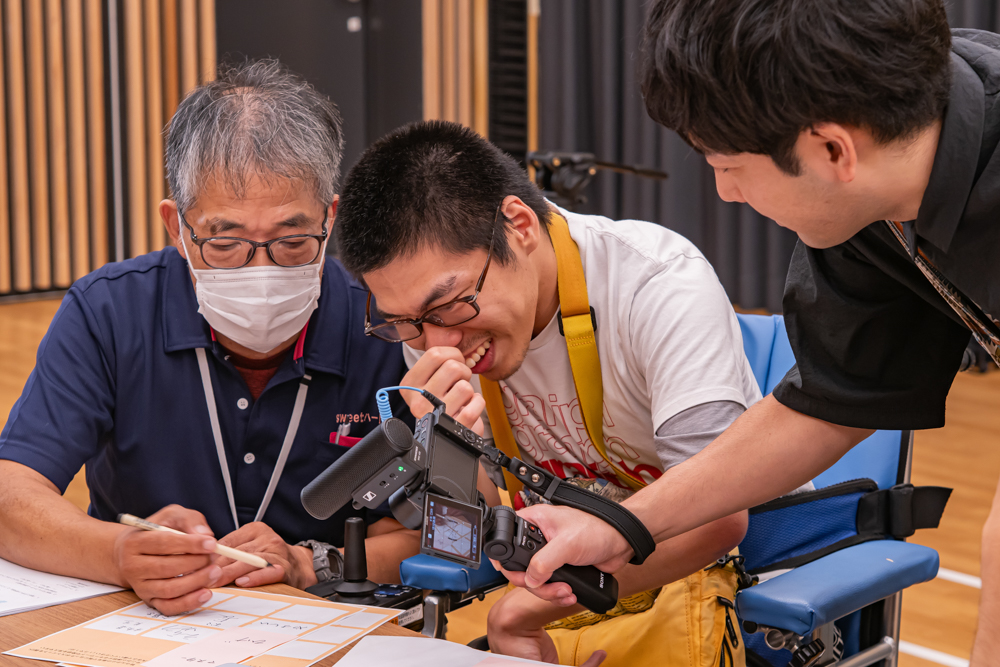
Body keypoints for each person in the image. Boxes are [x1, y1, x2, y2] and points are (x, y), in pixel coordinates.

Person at [498, 0, 1000, 663]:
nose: (726, 194)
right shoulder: (873, 192)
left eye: (727, 166)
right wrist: (626, 523)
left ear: (829, 148)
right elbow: (827, 405)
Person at [335, 120, 767, 667]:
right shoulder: (433, 335)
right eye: (408, 323)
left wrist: (530, 610)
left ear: (519, 226)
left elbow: (717, 517)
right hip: (561, 581)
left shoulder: (658, 284)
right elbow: (474, 528)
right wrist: (446, 453)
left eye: (451, 305)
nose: (439, 341)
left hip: (722, 574)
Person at [0, 60, 421, 616]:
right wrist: (121, 552)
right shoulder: (109, 311)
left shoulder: (385, 324)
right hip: (139, 622)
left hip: (328, 620)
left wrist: (305, 563)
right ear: (177, 227)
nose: (261, 270)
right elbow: (12, 494)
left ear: (330, 217)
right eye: (226, 243)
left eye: (293, 240)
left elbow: (430, 530)